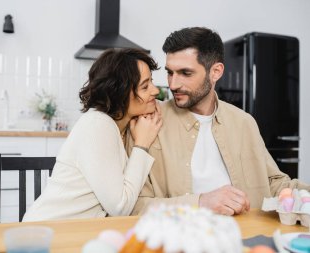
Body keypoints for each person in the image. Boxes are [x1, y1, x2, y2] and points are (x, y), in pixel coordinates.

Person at [129, 27, 310, 216]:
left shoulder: (244, 122)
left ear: (216, 72)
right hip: (182, 240)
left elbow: (275, 183)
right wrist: (200, 202)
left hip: (246, 239)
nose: (173, 84)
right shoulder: (148, 122)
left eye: (186, 73)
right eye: (170, 72)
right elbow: (135, 206)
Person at [23, 48, 162, 221]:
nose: (155, 90)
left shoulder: (117, 128)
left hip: (75, 233)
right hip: (48, 233)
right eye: (145, 86)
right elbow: (120, 207)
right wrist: (142, 144)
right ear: (121, 93)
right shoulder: (98, 125)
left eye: (152, 82)